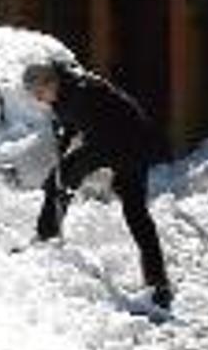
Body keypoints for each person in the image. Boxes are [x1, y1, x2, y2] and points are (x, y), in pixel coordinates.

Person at [22, 60, 174, 310]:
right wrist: (62, 154)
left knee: (131, 211)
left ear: (51, 82)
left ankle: (46, 237)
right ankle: (159, 283)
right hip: (119, 141)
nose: (40, 100)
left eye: (40, 93)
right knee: (63, 180)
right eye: (35, 96)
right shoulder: (66, 91)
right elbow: (70, 125)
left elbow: (100, 133)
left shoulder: (81, 93)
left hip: (128, 143)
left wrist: (73, 170)